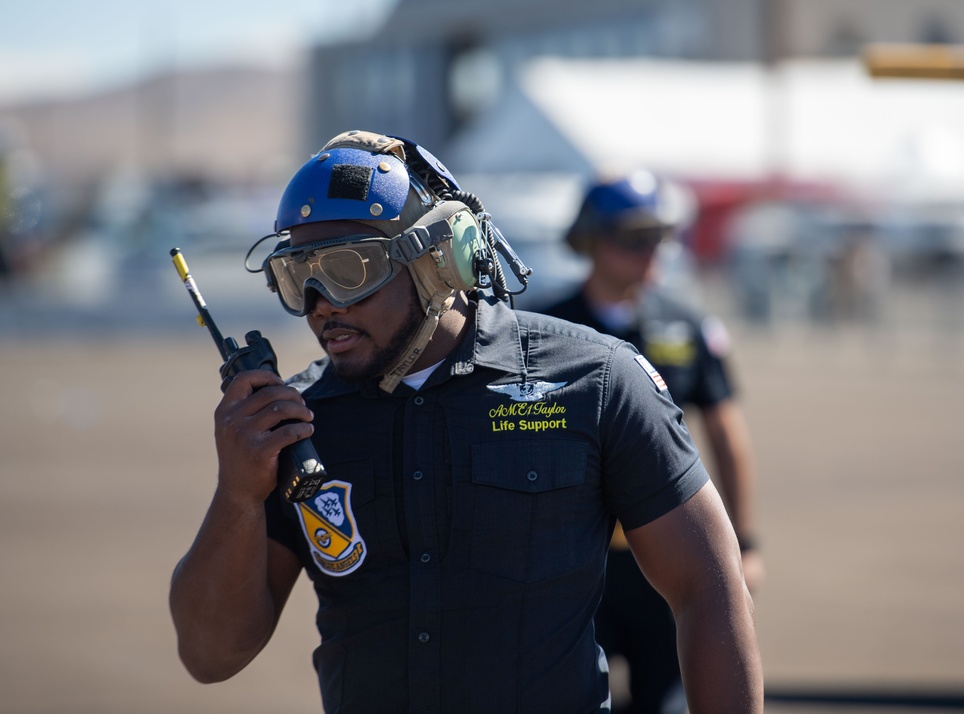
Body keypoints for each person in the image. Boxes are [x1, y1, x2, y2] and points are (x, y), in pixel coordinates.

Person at [168, 130, 763, 713]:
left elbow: (708, 586)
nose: (321, 303)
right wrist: (238, 495)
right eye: (298, 276)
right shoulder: (293, 427)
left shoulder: (597, 381)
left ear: (438, 259)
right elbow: (209, 655)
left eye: (347, 269)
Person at [540, 171, 765, 714]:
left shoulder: (687, 326)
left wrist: (745, 545)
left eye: (659, 236)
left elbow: (727, 437)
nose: (650, 251)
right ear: (589, 240)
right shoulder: (546, 329)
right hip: (573, 561)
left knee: (666, 699)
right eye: (632, 237)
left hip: (665, 560)